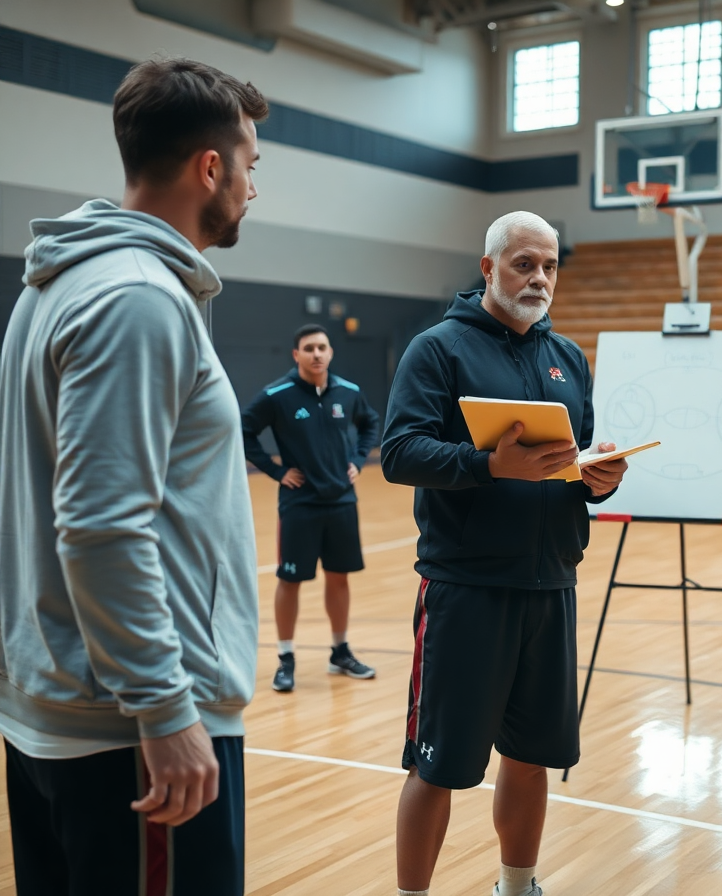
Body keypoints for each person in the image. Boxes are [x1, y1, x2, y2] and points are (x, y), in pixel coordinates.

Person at [0, 58, 266, 894]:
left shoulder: (60, 284)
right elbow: (103, 524)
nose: (254, 189)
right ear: (210, 167)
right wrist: (164, 708)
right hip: (133, 731)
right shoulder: (136, 298)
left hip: (66, 711)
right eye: (251, 166)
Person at [380, 211, 629, 896]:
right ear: (489, 269)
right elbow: (399, 454)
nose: (539, 278)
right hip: (466, 591)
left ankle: (517, 887)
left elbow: (570, 463)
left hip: (551, 587)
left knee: (531, 756)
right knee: (437, 765)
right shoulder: (438, 349)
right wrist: (490, 466)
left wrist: (597, 480)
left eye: (549, 265)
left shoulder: (569, 357)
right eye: (524, 264)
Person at [242, 324, 381, 692]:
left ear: (330, 352)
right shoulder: (278, 394)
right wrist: (275, 470)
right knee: (289, 580)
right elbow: (243, 430)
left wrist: (358, 458)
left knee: (340, 577)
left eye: (322, 347)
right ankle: (285, 657)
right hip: (299, 504)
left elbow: (370, 423)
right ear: (296, 355)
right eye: (309, 348)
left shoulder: (348, 392)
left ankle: (340, 651)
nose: (316, 354)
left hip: (341, 502)